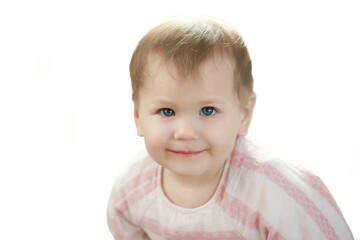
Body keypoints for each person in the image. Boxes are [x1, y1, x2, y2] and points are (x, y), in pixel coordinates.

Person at [107, 15, 353, 239]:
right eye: (166, 111)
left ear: (244, 115)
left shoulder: (274, 193)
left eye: (208, 110)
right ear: (138, 117)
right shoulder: (133, 187)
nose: (185, 132)